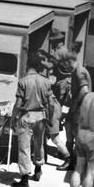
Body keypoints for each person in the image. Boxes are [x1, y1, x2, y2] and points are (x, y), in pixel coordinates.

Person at [10, 54, 52, 187]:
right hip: (41, 116)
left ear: (28, 65)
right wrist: (49, 118)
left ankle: (24, 181)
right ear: (40, 66)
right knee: (39, 144)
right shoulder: (46, 82)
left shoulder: (23, 81)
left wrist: (12, 118)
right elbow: (50, 103)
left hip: (26, 116)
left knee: (24, 147)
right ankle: (38, 170)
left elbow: (18, 104)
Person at [39, 28, 72, 170]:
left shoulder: (58, 52)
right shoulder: (63, 49)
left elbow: (50, 65)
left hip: (63, 82)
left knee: (54, 137)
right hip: (66, 81)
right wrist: (45, 54)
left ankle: (68, 157)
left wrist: (38, 60)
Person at [62, 51, 92, 171]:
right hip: (78, 107)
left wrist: (74, 103)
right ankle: (70, 159)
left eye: (65, 64)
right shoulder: (78, 70)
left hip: (79, 108)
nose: (65, 67)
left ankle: (71, 162)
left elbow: (84, 90)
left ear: (69, 62)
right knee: (68, 127)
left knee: (75, 133)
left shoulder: (78, 71)